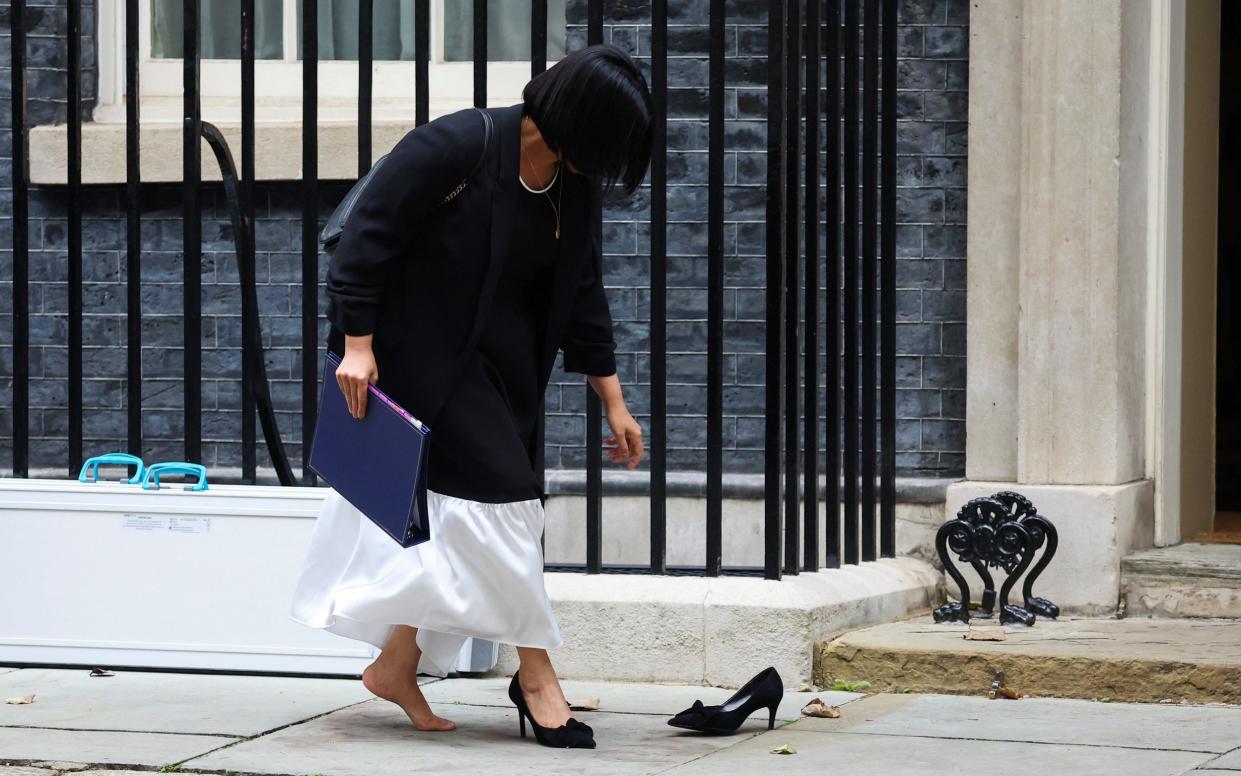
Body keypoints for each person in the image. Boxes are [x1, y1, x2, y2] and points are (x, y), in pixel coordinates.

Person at [288, 44, 653, 750]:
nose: (608, 167)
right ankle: (538, 679)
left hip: (506, 372)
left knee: (459, 522)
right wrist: (357, 346)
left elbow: (581, 290)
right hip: (420, 359)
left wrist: (612, 398)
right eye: (609, 146)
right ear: (578, 121)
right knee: (507, 506)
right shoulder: (458, 145)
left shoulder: (570, 185)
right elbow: (366, 238)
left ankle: (396, 665)